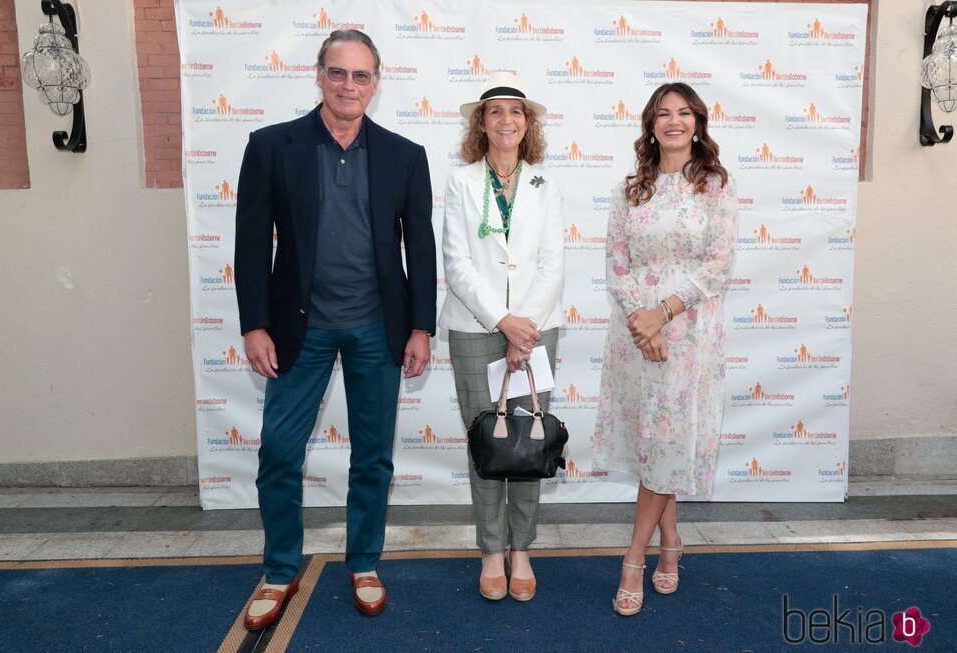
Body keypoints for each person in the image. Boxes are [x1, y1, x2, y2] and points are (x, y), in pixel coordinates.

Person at [233, 29, 435, 628]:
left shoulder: (404, 154)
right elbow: (249, 247)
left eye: (361, 75)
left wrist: (421, 325)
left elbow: (418, 249)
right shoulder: (272, 146)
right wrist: (254, 325)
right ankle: (278, 570)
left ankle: (364, 561)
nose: (349, 85)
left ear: (377, 82)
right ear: (319, 75)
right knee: (278, 453)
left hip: (378, 327)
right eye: (338, 72)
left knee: (373, 456)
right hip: (300, 329)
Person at [592, 82, 738, 616]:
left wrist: (664, 313)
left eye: (683, 113)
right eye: (662, 113)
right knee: (657, 445)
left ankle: (634, 556)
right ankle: (671, 543)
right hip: (636, 336)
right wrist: (641, 321)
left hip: (690, 331)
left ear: (697, 123)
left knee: (666, 443)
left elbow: (718, 265)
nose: (673, 121)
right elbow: (617, 262)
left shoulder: (716, 186)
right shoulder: (631, 187)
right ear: (650, 125)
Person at [439, 72, 565, 603]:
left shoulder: (545, 183)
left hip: (538, 329)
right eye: (496, 112)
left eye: (516, 111)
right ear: (482, 123)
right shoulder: (461, 181)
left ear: (527, 122)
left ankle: (521, 551)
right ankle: (492, 550)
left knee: (530, 442)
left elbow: (554, 262)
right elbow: (457, 263)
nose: (506, 120)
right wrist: (503, 321)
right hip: (475, 327)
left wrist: (524, 327)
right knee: (487, 445)